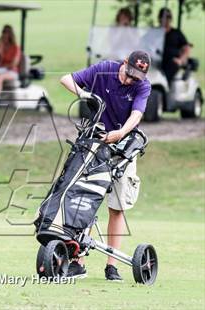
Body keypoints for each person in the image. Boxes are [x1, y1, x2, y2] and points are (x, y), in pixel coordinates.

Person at [60, 50, 151, 281]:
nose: (130, 80)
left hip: (124, 148)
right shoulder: (104, 70)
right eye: (129, 74)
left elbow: (137, 115)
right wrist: (86, 95)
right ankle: (77, 261)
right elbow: (66, 79)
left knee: (116, 207)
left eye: (135, 78)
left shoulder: (143, 86)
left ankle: (112, 266)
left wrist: (120, 132)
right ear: (124, 63)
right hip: (94, 144)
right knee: (86, 200)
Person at [159, 7, 191, 84]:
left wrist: (181, 60)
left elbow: (186, 48)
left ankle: (164, 86)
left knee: (173, 64)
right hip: (156, 60)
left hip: (171, 62)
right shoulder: (154, 32)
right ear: (159, 18)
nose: (166, 19)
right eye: (163, 17)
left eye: (168, 17)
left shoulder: (176, 33)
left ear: (171, 19)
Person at [0, 25, 21, 91]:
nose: (4, 35)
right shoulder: (0, 46)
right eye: (3, 32)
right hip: (1, 69)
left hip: (12, 71)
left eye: (6, 32)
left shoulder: (15, 48)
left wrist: (0, 65)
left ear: (10, 35)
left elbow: (14, 64)